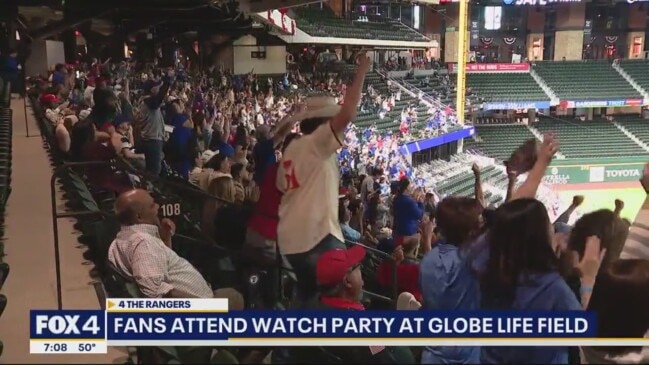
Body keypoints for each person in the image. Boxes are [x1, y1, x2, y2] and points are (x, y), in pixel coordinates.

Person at [276, 53, 370, 306]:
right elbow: (349, 112)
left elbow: (283, 189)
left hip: (292, 242)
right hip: (318, 239)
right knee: (338, 298)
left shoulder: (293, 149)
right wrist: (362, 69)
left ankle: (292, 345)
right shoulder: (316, 143)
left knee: (305, 300)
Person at [289, 246, 414, 364]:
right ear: (347, 281)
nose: (361, 270)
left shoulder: (305, 312)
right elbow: (386, 359)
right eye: (357, 267)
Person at [108, 189, 211, 298]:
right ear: (139, 217)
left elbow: (161, 266)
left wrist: (165, 238)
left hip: (202, 300)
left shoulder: (125, 237)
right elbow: (154, 291)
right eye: (152, 205)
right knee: (230, 293)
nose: (158, 206)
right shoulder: (144, 243)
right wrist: (206, 305)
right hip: (203, 307)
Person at [137, 77, 171, 176]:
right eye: (157, 86)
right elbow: (160, 97)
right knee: (154, 172)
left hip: (151, 139)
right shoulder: (149, 101)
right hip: (152, 141)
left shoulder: (148, 101)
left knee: (152, 169)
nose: (159, 88)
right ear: (151, 90)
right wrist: (167, 82)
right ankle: (149, 190)